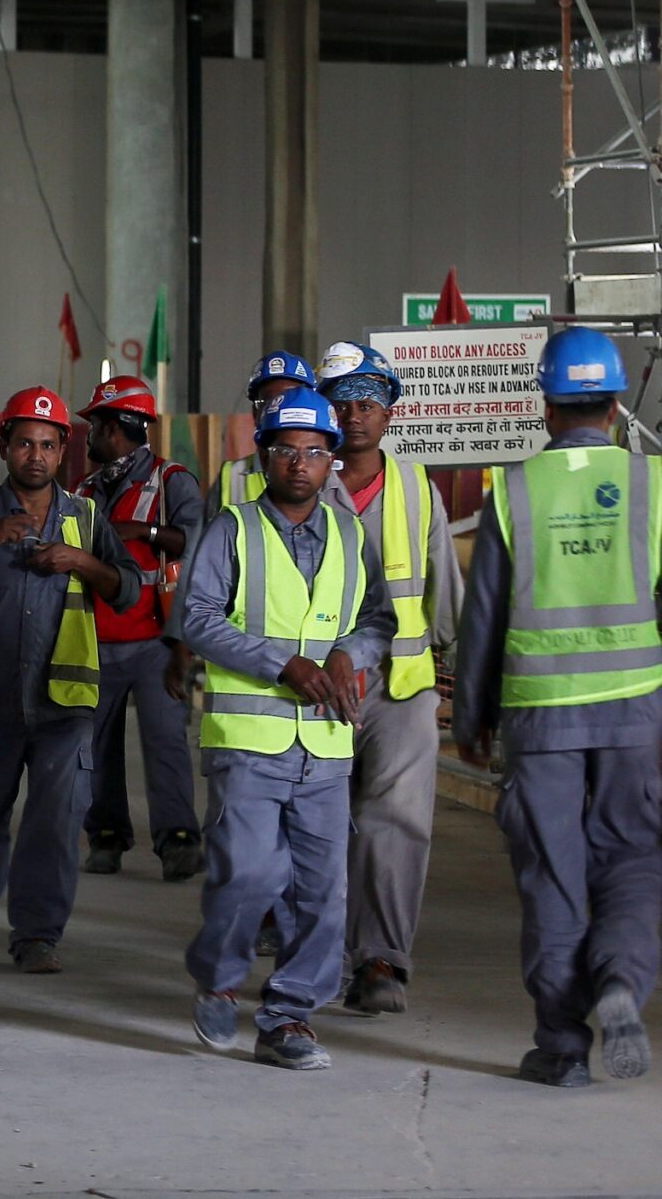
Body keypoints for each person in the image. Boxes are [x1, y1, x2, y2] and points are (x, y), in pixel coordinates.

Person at [455, 326, 662, 1087]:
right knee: (633, 859)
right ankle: (622, 981)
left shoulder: (512, 490)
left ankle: (563, 1046)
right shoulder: (654, 484)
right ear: (615, 403)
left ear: (546, 406)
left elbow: (484, 617)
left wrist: (471, 717)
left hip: (539, 713)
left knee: (553, 871)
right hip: (635, 712)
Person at [182, 391, 391, 1071]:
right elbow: (199, 618)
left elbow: (377, 620)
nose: (301, 464)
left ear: (333, 458)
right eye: (286, 450)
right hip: (249, 740)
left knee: (320, 890)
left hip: (326, 743)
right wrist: (284, 664)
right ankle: (217, 976)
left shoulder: (353, 534)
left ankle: (290, 1016)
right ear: (264, 454)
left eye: (314, 451)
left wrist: (346, 654)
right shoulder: (233, 530)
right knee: (248, 872)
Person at [0, 386, 136, 973]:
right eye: (23, 443)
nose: (35, 455)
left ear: (63, 451)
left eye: (47, 444)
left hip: (63, 703)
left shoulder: (86, 519)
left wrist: (79, 561)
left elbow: (129, 587)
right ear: (5, 446)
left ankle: (37, 934)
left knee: (55, 822)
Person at [314, 339, 456, 1017]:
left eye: (369, 400)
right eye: (342, 401)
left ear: (391, 408)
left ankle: (380, 959)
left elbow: (443, 602)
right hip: (315, 685)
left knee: (394, 822)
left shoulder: (416, 489)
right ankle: (316, 956)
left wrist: (450, 675)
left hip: (400, 687)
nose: (356, 414)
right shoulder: (297, 482)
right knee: (317, 823)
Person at [74, 374, 205, 881]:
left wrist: (144, 531)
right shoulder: (86, 489)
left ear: (120, 427)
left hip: (156, 641)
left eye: (96, 424)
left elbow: (197, 547)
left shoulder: (172, 482)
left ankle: (178, 840)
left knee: (165, 741)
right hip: (96, 640)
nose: (90, 435)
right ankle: (106, 836)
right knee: (95, 745)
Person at [211, 351, 319, 513]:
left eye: (291, 400)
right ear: (255, 413)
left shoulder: (325, 471)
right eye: (269, 402)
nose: (280, 410)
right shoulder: (232, 476)